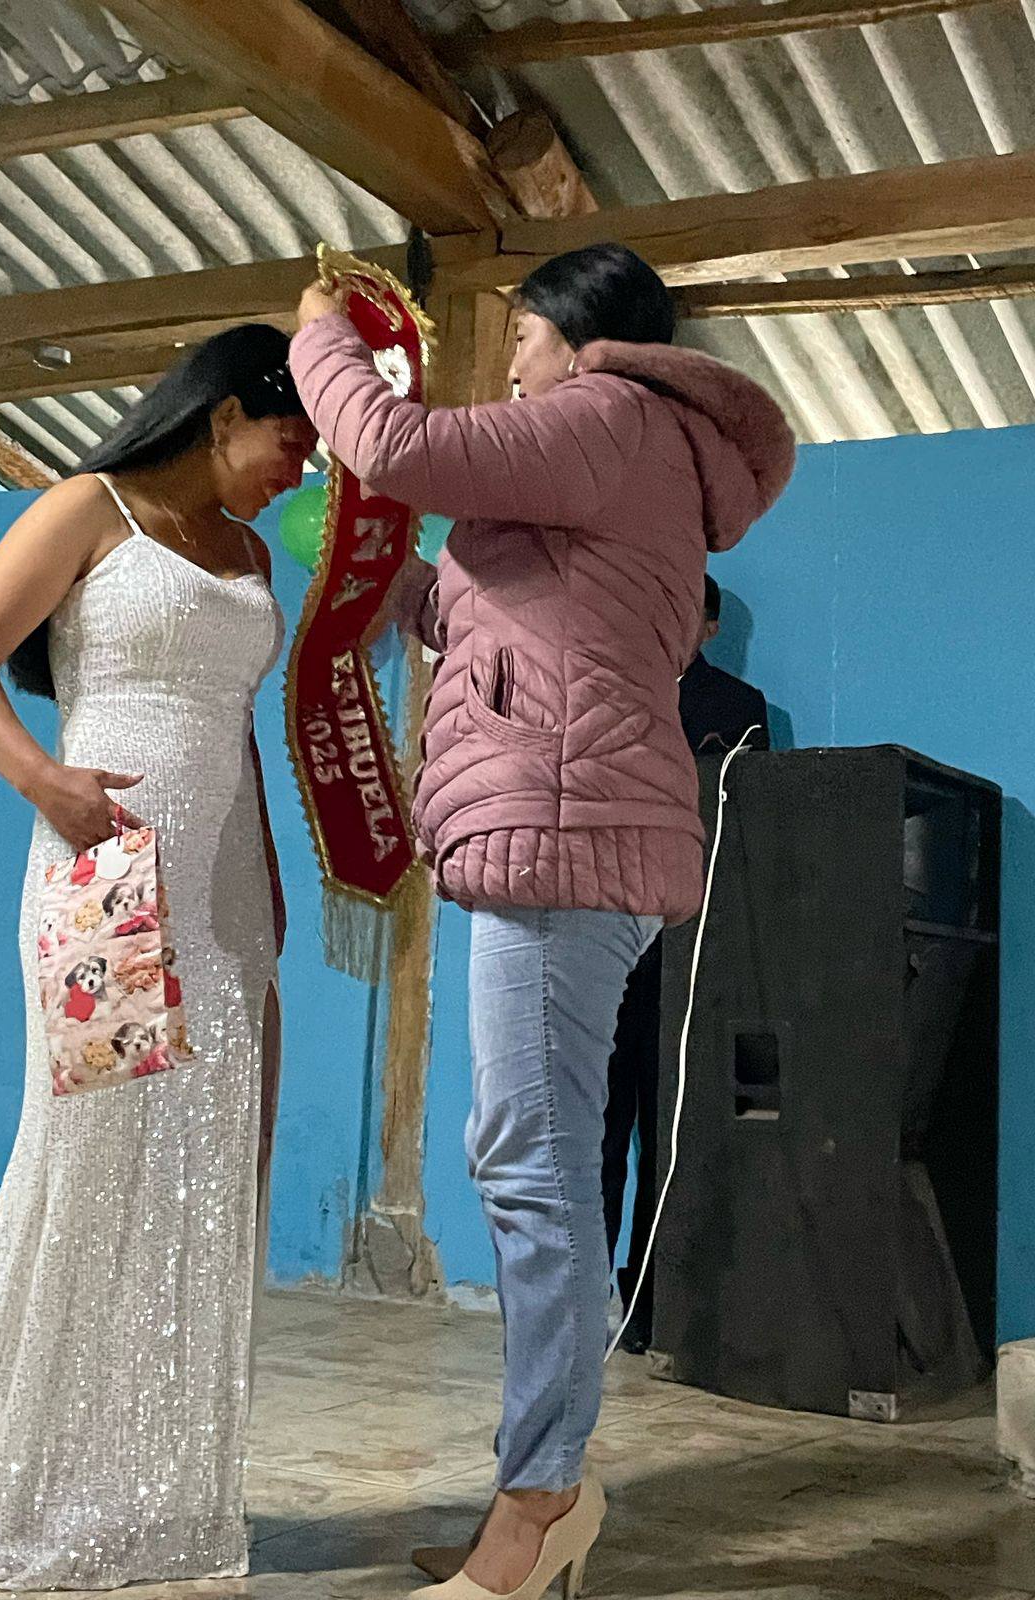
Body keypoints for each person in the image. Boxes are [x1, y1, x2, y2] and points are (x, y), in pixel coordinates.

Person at [290, 244, 794, 1600]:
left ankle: (543, 1501)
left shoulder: (610, 416)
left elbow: (397, 442)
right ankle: (537, 1487)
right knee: (530, 1156)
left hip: (566, 834)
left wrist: (319, 337)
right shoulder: (611, 458)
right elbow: (498, 624)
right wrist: (376, 572)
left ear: (577, 334)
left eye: (518, 336)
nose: (509, 363)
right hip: (559, 829)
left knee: (537, 1169)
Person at [0, 327, 316, 1589]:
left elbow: (236, 733)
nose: (301, 470)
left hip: (224, 891)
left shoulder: (254, 555)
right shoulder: (87, 508)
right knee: (90, 1161)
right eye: (291, 440)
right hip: (103, 873)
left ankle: (155, 1492)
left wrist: (266, 887)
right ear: (223, 414)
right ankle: (25, 1484)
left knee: (207, 1176)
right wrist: (44, 781)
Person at [603, 573, 771, 1355]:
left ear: (709, 629)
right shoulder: (609, 689)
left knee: (667, 1135)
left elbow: (753, 824)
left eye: (686, 614)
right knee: (597, 1131)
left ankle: (649, 1304)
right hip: (608, 944)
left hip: (690, 951)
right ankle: (581, 1294)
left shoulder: (739, 708)